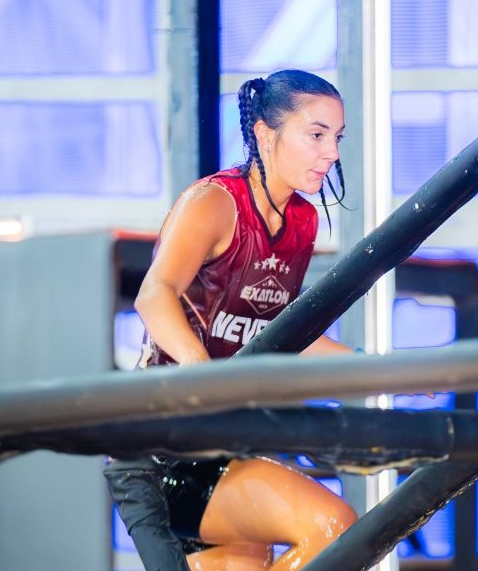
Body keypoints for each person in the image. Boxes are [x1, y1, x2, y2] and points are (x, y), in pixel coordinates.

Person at [105, 69, 357, 571]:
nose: (331, 152)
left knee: (288, 547)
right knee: (332, 526)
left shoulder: (302, 221)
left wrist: (382, 369)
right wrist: (203, 371)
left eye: (337, 138)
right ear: (266, 134)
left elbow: (283, 334)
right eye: (316, 135)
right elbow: (154, 295)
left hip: (225, 444)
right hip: (161, 449)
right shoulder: (215, 202)